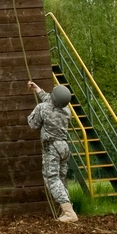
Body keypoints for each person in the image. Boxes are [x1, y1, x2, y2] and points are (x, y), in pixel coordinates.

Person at [27, 81, 78, 222]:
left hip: (52, 148)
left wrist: (34, 112)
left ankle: (69, 213)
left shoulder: (42, 108)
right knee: (61, 179)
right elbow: (52, 102)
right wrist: (37, 89)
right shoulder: (67, 110)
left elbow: (33, 124)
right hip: (64, 147)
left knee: (52, 179)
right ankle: (66, 210)